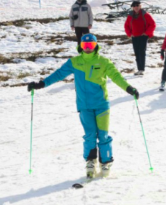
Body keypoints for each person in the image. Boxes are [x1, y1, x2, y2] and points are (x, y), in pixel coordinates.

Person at [27, 34, 139, 178]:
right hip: (84, 106)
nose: (87, 49)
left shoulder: (103, 62)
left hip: (101, 105)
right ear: (80, 46)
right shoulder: (74, 62)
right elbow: (59, 74)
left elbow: (116, 77)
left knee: (103, 135)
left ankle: (106, 162)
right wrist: (41, 84)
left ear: (95, 46)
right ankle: (90, 161)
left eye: (90, 45)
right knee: (90, 135)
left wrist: (129, 88)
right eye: (85, 46)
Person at [124, 1, 156, 75]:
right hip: (134, 37)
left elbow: (152, 24)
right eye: (134, 6)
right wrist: (129, 34)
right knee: (137, 53)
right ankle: (139, 69)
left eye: (137, 5)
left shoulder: (146, 15)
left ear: (140, 6)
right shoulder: (130, 15)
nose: (136, 7)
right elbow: (126, 26)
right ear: (132, 7)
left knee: (141, 52)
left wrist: (147, 33)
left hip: (143, 37)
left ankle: (141, 69)